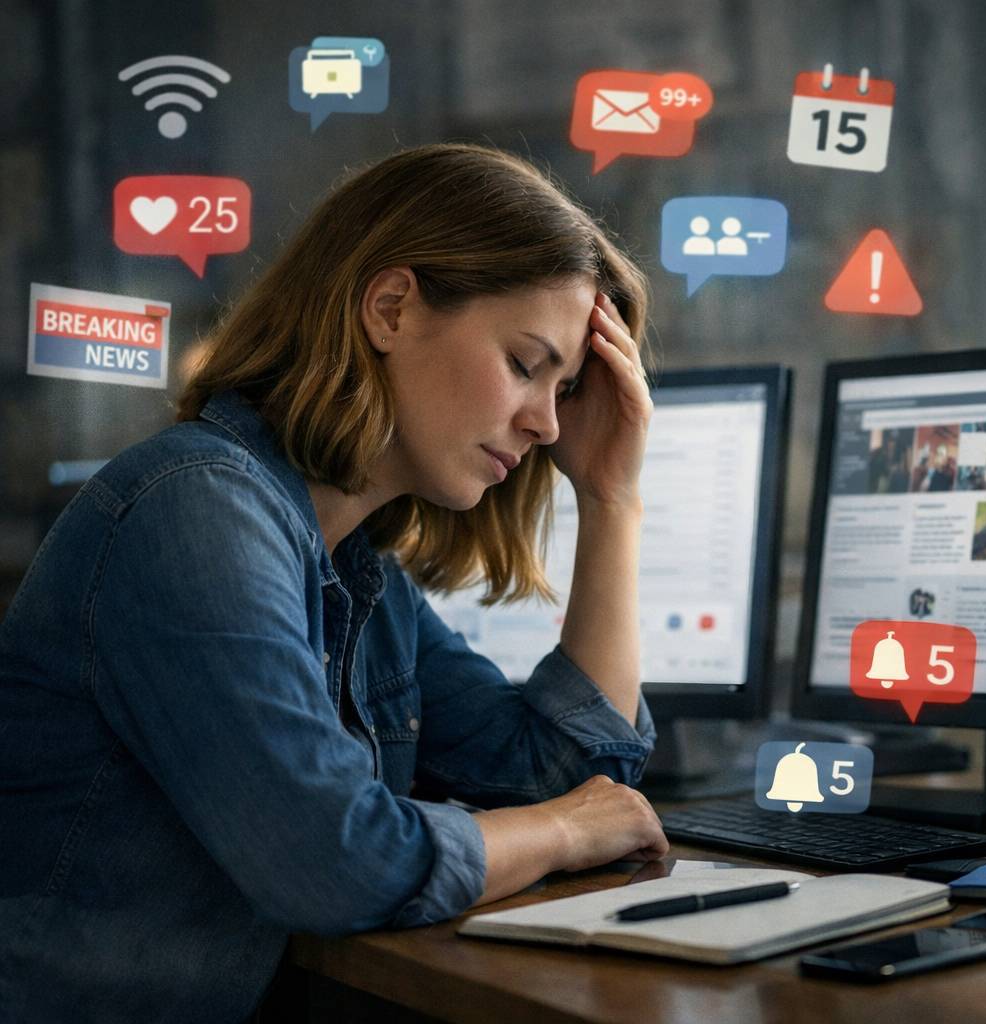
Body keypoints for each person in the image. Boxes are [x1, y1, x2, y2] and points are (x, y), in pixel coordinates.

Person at [0, 144, 669, 1024]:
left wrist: (611, 500)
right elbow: (337, 861)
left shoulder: (357, 569)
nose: (545, 423)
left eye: (567, 387)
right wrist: (566, 830)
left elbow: (566, 777)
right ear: (390, 308)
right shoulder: (192, 510)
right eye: (522, 363)